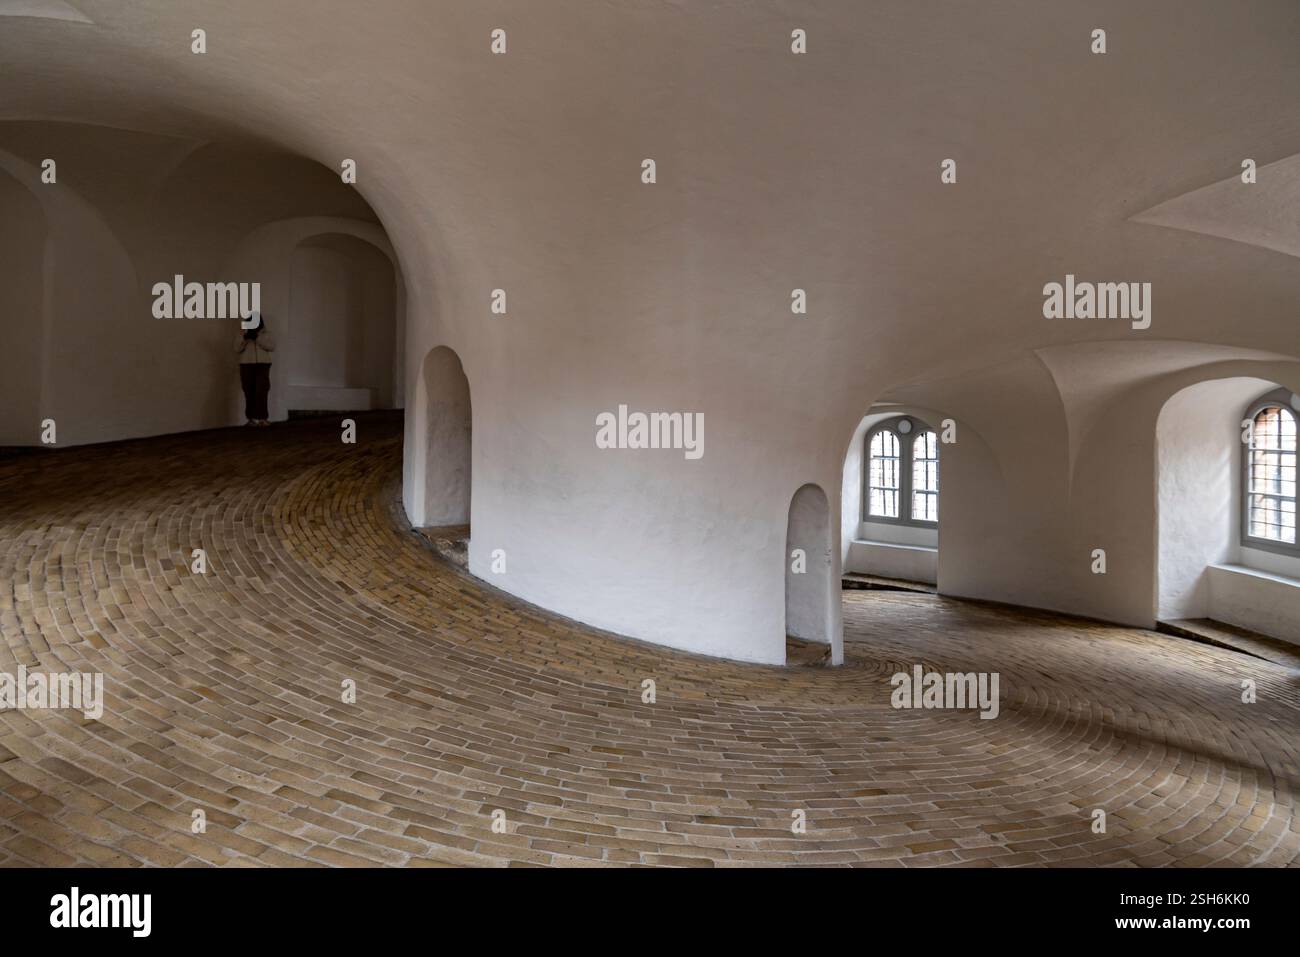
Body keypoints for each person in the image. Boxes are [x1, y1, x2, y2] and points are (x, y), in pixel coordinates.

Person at [235, 313, 276, 426]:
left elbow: (271, 346)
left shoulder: (266, 334)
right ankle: (251, 418)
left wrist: (257, 337)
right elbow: (236, 348)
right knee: (248, 391)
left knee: (262, 390)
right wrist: (245, 338)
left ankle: (262, 418)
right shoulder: (243, 332)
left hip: (262, 364)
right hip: (246, 364)